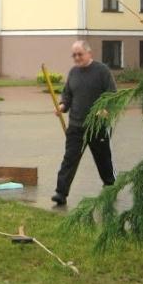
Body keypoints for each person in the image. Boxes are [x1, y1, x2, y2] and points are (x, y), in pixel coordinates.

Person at [51, 40, 116, 206]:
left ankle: (109, 187)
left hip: (97, 126)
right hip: (76, 126)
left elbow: (112, 94)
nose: (77, 58)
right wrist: (62, 106)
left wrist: (106, 109)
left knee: (103, 159)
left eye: (80, 54)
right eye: (74, 55)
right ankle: (61, 193)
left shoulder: (102, 71)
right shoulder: (73, 72)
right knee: (69, 160)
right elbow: (68, 95)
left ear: (89, 53)